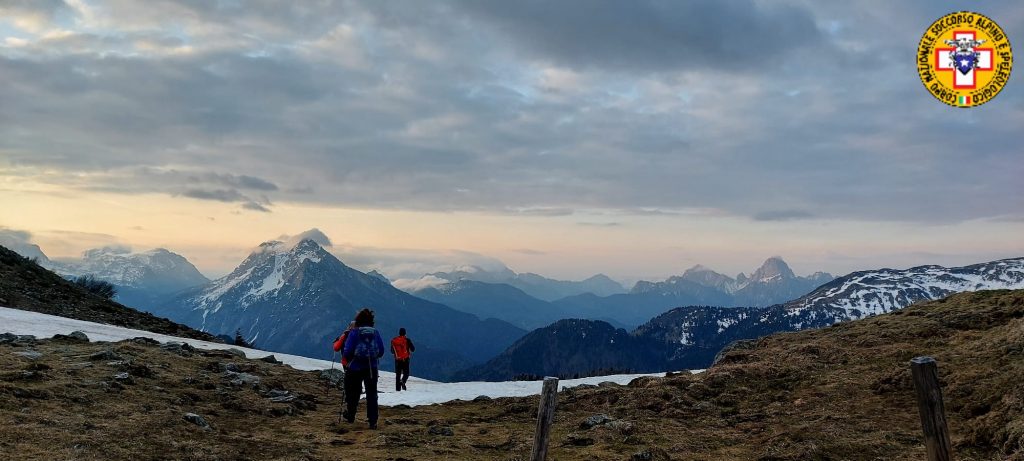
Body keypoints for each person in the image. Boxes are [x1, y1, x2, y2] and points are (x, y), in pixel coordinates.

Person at [341, 308, 385, 429]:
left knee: (353, 392)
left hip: (354, 367)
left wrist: (350, 360)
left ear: (358, 320)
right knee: (372, 393)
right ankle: (373, 421)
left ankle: (350, 415)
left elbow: (347, 351)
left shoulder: (354, 333)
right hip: (372, 368)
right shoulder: (375, 333)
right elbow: (381, 351)